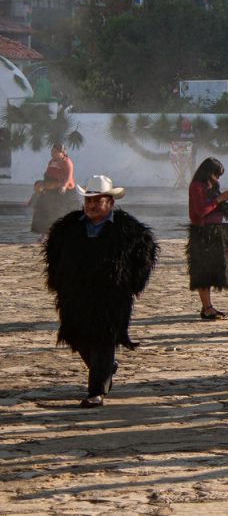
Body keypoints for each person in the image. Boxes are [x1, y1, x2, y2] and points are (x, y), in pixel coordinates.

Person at [42, 176, 158, 407]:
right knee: (78, 337)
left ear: (111, 203)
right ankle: (104, 368)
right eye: (89, 201)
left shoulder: (129, 230)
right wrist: (59, 282)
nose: (92, 205)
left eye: (98, 200)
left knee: (106, 338)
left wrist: (130, 284)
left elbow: (144, 256)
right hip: (76, 295)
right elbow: (53, 256)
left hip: (111, 296)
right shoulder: (68, 227)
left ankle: (96, 391)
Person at [187, 157, 228, 320]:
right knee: (203, 271)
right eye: (216, 175)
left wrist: (223, 200)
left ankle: (209, 306)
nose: (217, 179)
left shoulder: (213, 186)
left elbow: (215, 206)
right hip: (203, 232)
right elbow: (201, 210)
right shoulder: (196, 186)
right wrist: (218, 200)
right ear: (208, 173)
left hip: (217, 231)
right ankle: (206, 307)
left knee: (212, 270)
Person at [33, 143, 82, 235]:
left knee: (61, 213)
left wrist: (63, 186)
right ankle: (45, 234)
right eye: (52, 151)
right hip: (51, 190)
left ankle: (64, 233)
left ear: (62, 153)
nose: (52, 153)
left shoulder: (67, 162)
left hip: (64, 192)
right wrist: (43, 184)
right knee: (45, 210)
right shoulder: (51, 161)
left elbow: (68, 177)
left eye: (55, 152)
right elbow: (48, 173)